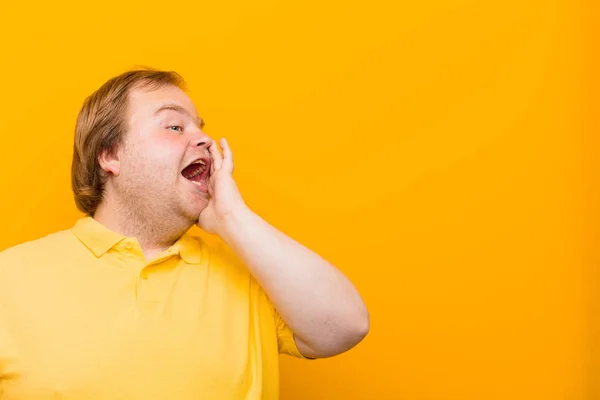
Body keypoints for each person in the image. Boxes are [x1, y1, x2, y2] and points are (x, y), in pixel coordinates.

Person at [0, 69, 369, 399]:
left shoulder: (252, 277)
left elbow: (345, 326)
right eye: (175, 127)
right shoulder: (9, 279)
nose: (205, 140)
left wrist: (232, 217)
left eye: (200, 127)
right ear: (110, 154)